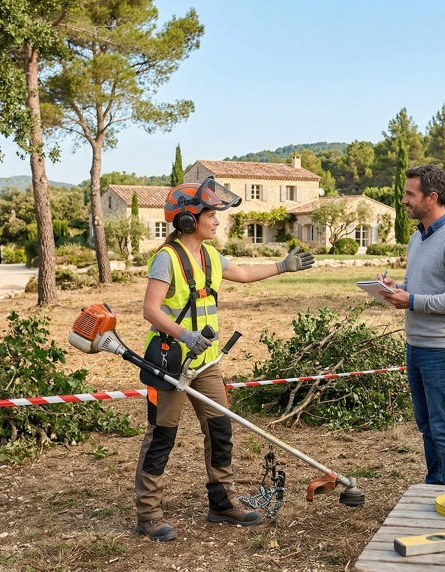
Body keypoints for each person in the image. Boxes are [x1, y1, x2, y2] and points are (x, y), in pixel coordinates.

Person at [137, 177, 314, 542]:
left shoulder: (211, 256)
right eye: (212, 214)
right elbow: (150, 310)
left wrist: (283, 266)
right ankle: (148, 514)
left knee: (221, 431)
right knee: (162, 438)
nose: (218, 220)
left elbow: (246, 274)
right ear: (188, 220)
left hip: (206, 364)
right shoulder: (166, 259)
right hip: (171, 364)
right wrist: (184, 335)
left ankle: (221, 502)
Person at [378, 165, 445, 487]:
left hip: (442, 350)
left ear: (431, 197)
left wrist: (413, 300)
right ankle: (434, 489)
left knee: (444, 428)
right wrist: (396, 288)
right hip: (416, 344)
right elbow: (422, 285)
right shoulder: (418, 237)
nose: (404, 199)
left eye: (410, 194)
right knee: (427, 425)